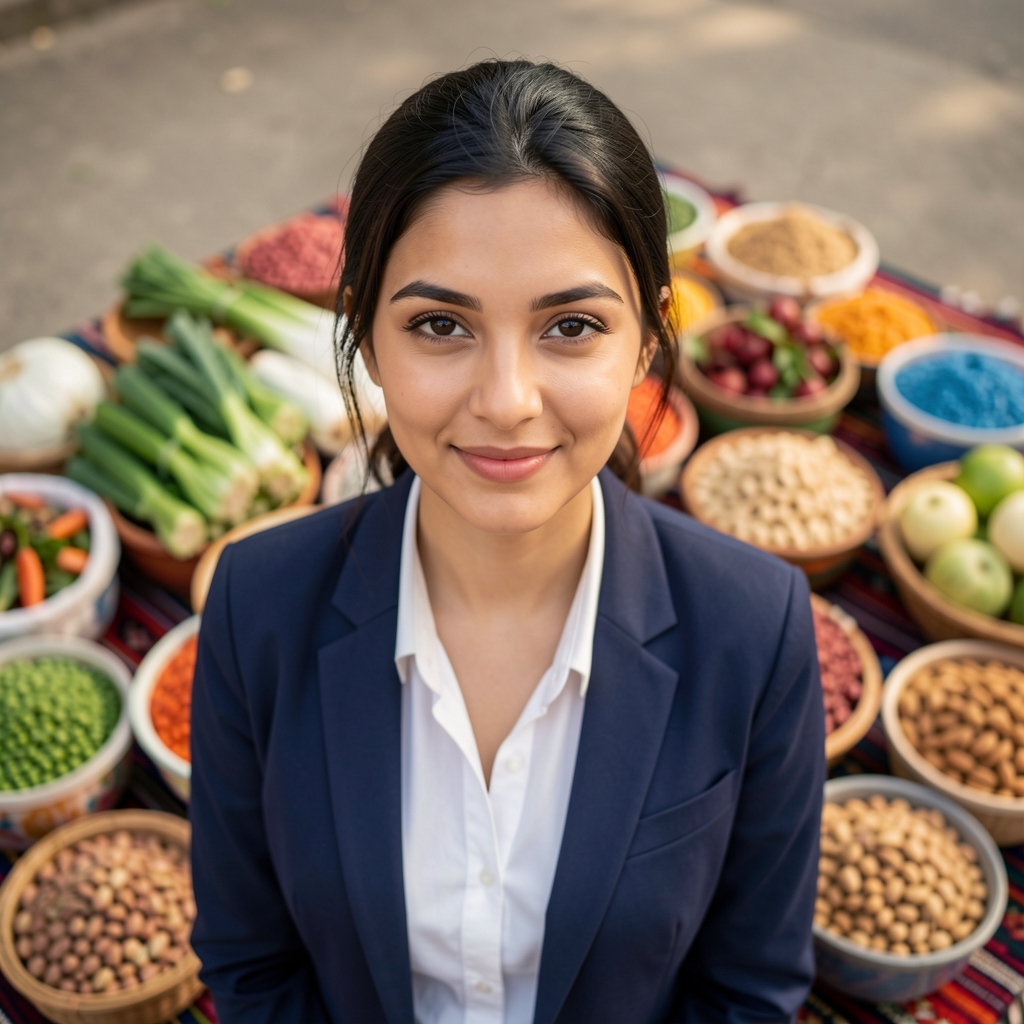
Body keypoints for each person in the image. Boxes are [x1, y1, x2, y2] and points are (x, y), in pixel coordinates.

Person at [190, 58, 825, 1024]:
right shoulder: (255, 605)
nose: (505, 402)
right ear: (364, 337)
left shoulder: (756, 629)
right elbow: (252, 964)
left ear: (649, 342)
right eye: (441, 324)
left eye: (571, 325)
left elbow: (748, 989)